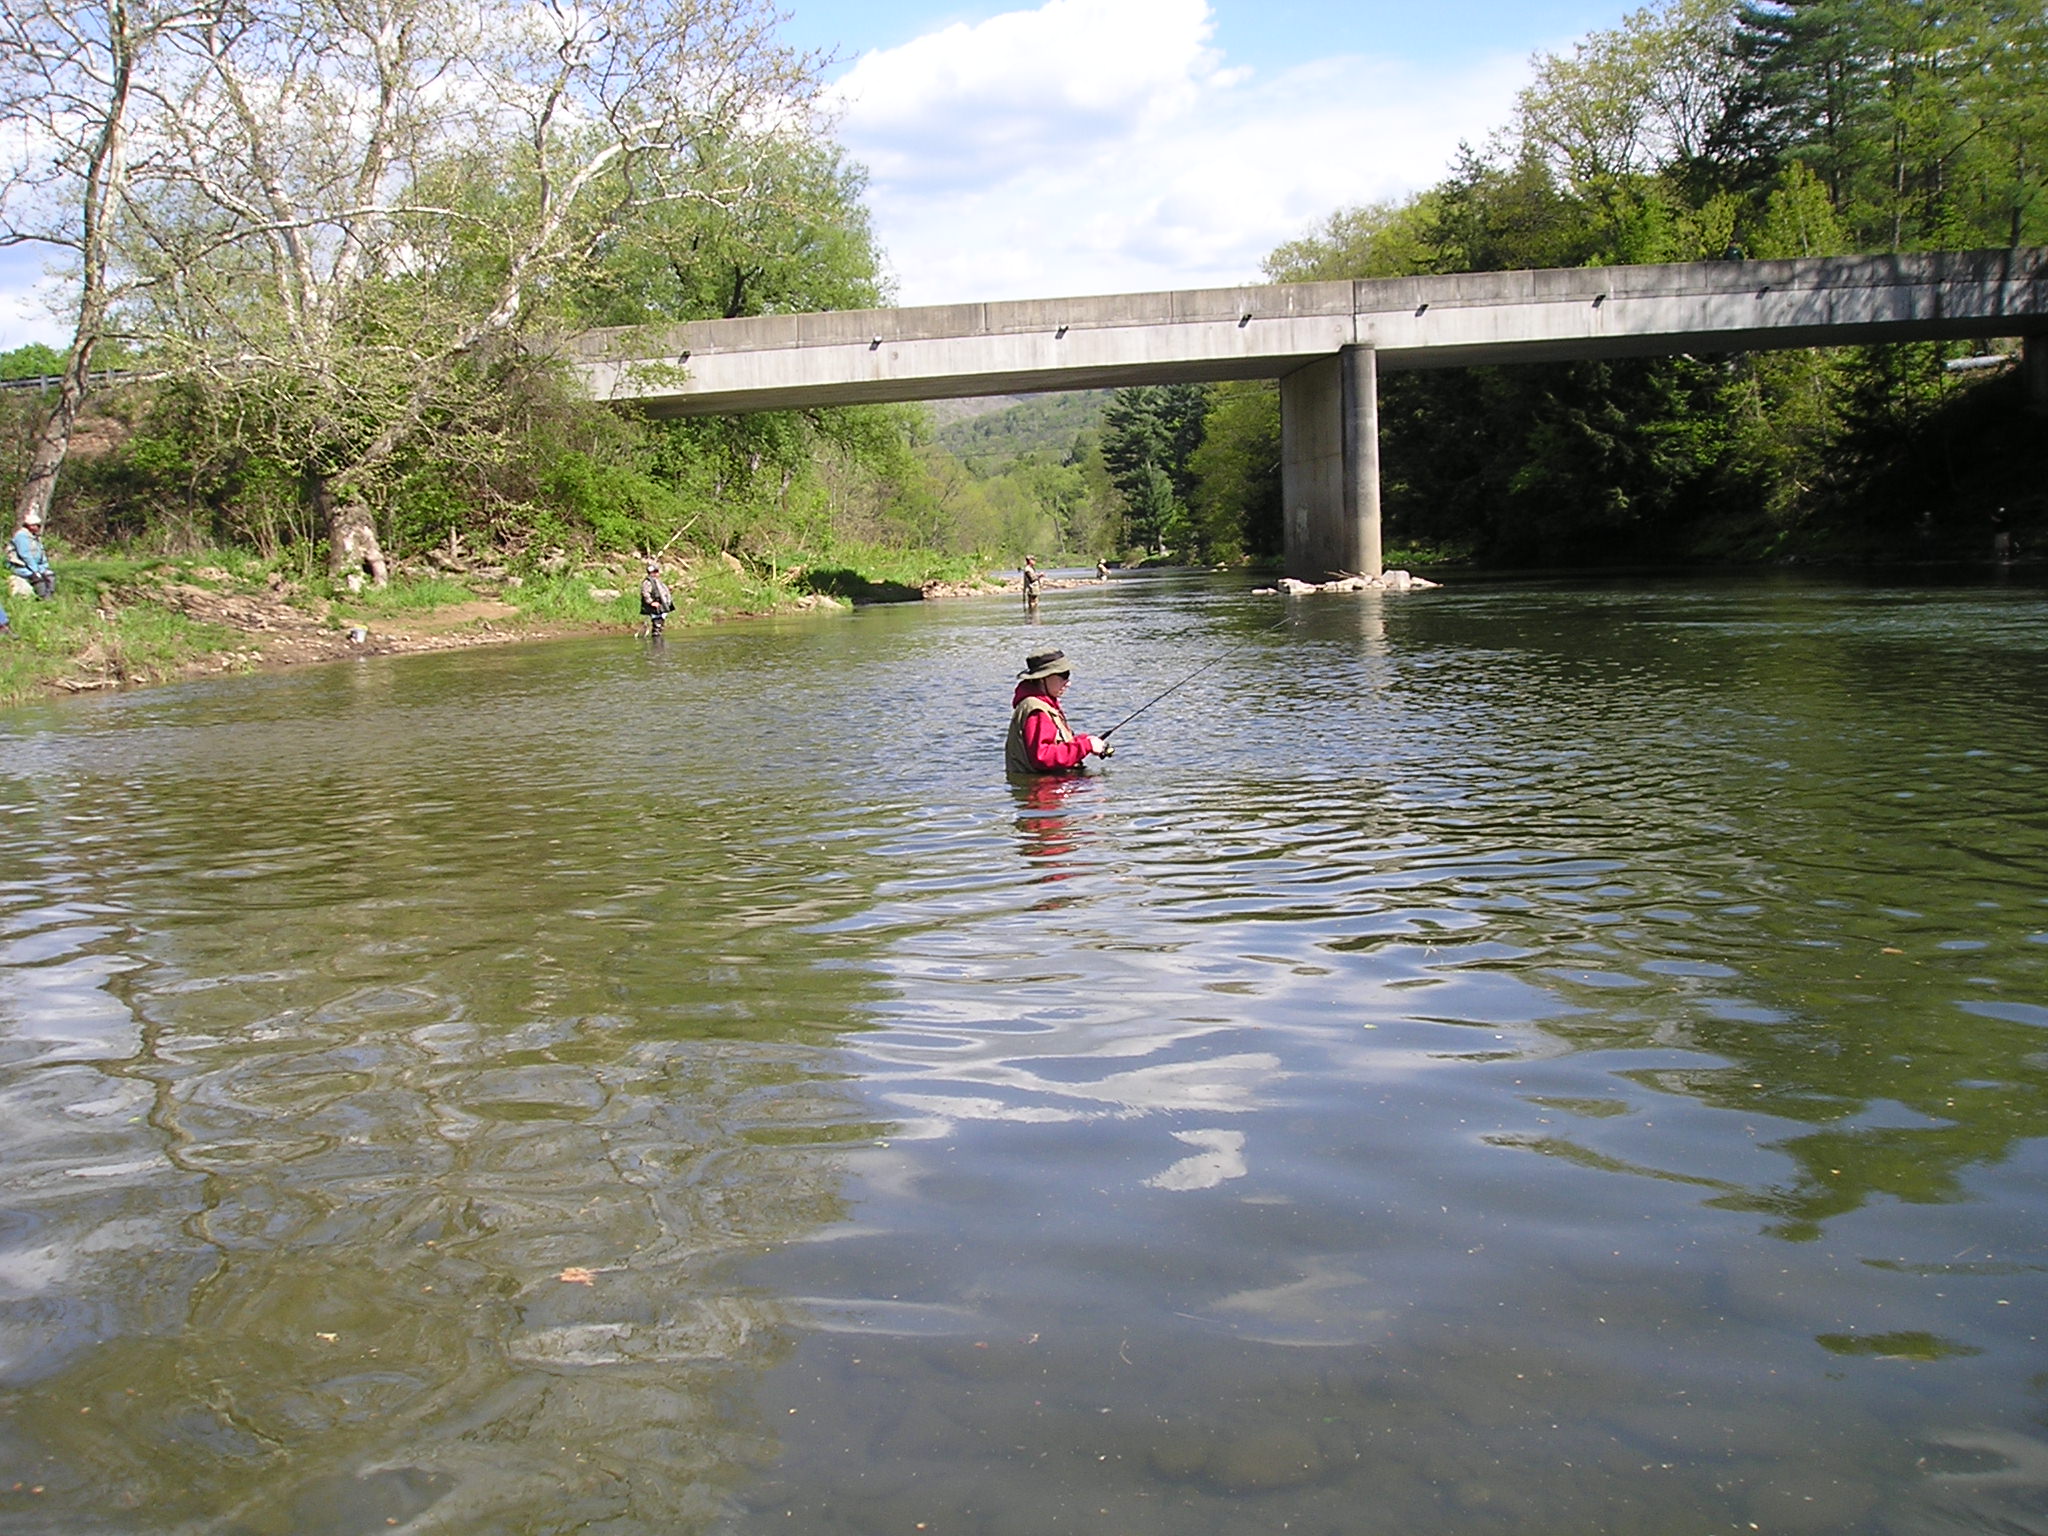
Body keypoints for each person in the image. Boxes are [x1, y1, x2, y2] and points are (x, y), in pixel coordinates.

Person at [1006, 648, 1110, 774]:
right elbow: (1043, 757)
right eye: (1064, 675)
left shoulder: (1044, 704)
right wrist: (1086, 746)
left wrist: (1084, 741)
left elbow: (1053, 746)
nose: (1068, 683)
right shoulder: (1037, 710)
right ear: (1043, 678)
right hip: (1044, 789)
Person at [7, 509, 54, 601]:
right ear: (28, 526)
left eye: (38, 525)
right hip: (20, 566)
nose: (37, 527)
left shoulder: (35, 537)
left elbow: (41, 553)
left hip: (36, 566)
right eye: (34, 525)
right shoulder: (21, 536)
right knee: (37, 578)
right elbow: (25, 555)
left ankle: (50, 597)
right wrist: (35, 570)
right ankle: (43, 598)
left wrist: (44, 566)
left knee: (49, 575)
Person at [640, 558, 674, 635]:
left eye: (657, 571)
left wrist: (668, 589)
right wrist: (651, 602)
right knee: (657, 622)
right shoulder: (647, 582)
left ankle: (658, 639)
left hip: (661, 605)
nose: (657, 573)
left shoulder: (657, 581)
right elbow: (645, 593)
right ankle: (657, 641)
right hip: (655, 606)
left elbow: (661, 590)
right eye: (655, 572)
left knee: (661, 621)